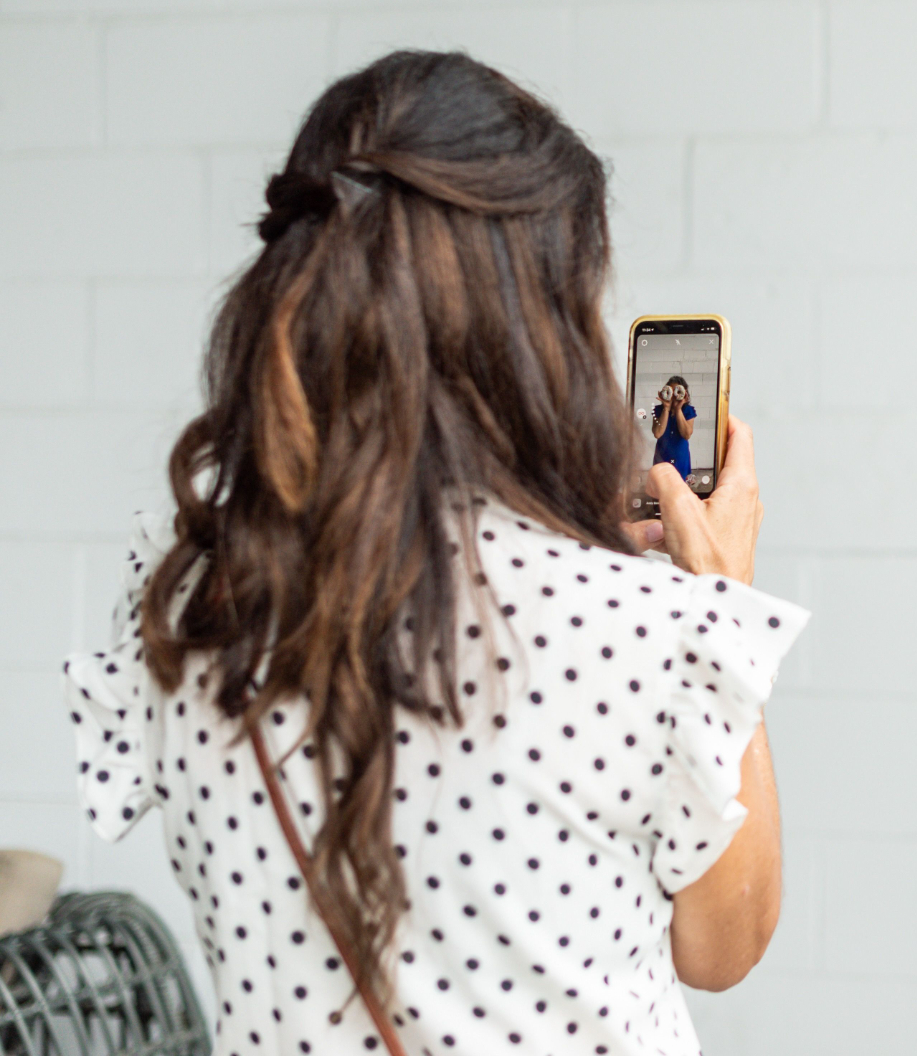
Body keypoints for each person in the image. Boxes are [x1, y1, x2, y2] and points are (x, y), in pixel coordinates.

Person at [63, 51, 801, 1056]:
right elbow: (724, 944)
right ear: (533, 326)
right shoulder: (639, 628)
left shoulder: (190, 598)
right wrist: (719, 606)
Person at [651, 377, 697, 479]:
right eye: (671, 393)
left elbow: (686, 435)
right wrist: (666, 409)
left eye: (677, 393)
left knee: (680, 484)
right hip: (661, 457)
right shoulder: (658, 410)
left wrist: (678, 409)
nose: (673, 397)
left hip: (680, 457)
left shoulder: (688, 411)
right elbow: (657, 433)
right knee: (661, 484)